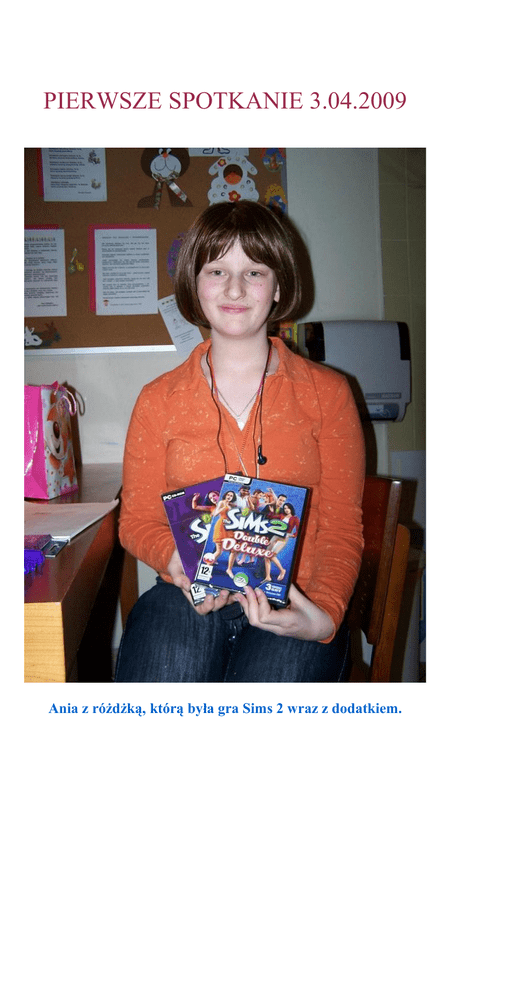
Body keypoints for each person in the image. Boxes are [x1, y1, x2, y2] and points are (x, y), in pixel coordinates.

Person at [115, 200, 365, 682]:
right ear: (195, 283)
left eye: (254, 272)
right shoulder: (157, 400)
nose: (234, 288)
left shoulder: (328, 394)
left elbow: (340, 528)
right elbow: (137, 521)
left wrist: (323, 616)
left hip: (295, 599)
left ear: (278, 286)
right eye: (217, 271)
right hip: (187, 598)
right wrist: (178, 561)